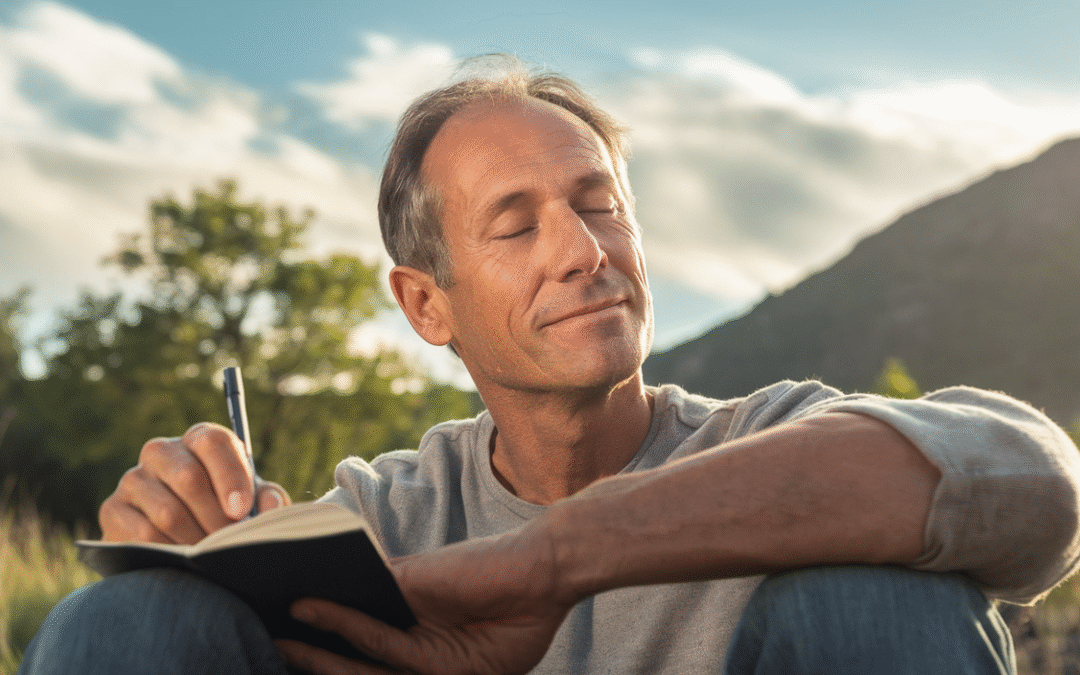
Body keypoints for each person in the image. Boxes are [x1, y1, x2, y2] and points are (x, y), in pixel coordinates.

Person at [20, 59, 1080, 675]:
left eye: (598, 203)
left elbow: (1034, 486)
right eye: (517, 225)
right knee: (123, 618)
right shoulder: (378, 525)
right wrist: (174, 561)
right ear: (426, 303)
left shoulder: (773, 446)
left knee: (879, 610)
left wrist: (555, 559)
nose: (583, 249)